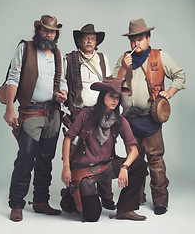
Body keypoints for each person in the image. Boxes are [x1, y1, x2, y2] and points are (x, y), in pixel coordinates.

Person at [112, 18, 186, 215]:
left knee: (156, 160)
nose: (135, 43)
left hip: (150, 118)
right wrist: (123, 69)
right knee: (134, 161)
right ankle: (136, 197)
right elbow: (113, 85)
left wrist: (169, 93)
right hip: (128, 120)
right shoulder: (124, 59)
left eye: (139, 39)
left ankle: (160, 201)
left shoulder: (159, 56)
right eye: (132, 40)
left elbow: (179, 74)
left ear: (148, 38)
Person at [3, 15, 68, 222]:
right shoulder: (26, 48)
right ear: (39, 30)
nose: (49, 34)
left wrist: (63, 93)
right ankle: (16, 204)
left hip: (53, 113)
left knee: (46, 159)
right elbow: (13, 78)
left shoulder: (57, 54)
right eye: (45, 30)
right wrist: (10, 109)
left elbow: (63, 80)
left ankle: (41, 201)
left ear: (56, 33)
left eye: (53, 31)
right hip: (30, 112)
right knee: (26, 157)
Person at [61, 77, 148, 222]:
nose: (115, 100)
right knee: (92, 216)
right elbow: (68, 138)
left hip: (103, 167)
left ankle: (125, 209)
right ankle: (69, 198)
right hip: (84, 170)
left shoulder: (120, 120)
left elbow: (134, 150)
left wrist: (125, 167)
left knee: (139, 165)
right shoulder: (87, 114)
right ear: (103, 97)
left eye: (117, 97)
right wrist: (66, 167)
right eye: (111, 96)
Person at [62, 24, 115, 210]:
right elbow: (62, 83)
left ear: (96, 41)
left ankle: (106, 196)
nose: (89, 41)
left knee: (105, 152)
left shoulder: (102, 58)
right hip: (79, 114)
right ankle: (74, 192)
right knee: (77, 154)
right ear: (79, 40)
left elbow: (109, 84)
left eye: (92, 38)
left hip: (101, 113)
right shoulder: (70, 59)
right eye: (86, 38)